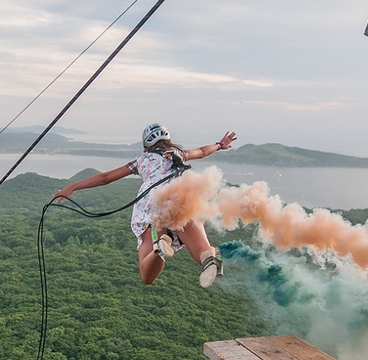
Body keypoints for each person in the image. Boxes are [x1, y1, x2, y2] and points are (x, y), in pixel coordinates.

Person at [55, 123, 236, 287]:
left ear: (146, 145)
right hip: (184, 198)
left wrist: (73, 187)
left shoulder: (142, 160)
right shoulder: (180, 154)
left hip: (154, 203)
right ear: (168, 140)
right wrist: (220, 145)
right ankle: (209, 260)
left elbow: (105, 178)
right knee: (202, 248)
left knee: (147, 276)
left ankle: (160, 245)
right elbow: (203, 151)